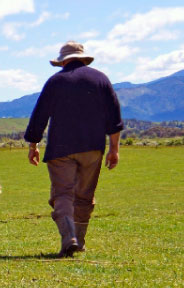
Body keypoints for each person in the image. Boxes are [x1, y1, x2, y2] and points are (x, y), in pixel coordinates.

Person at [24, 41, 124, 257]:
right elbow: (114, 118)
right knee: (84, 196)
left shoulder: (55, 81)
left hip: (60, 149)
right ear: (82, 58)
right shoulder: (101, 79)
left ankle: (69, 237)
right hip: (93, 148)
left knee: (62, 194)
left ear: (63, 61)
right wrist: (114, 149)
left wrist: (34, 144)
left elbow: (39, 115)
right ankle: (78, 240)